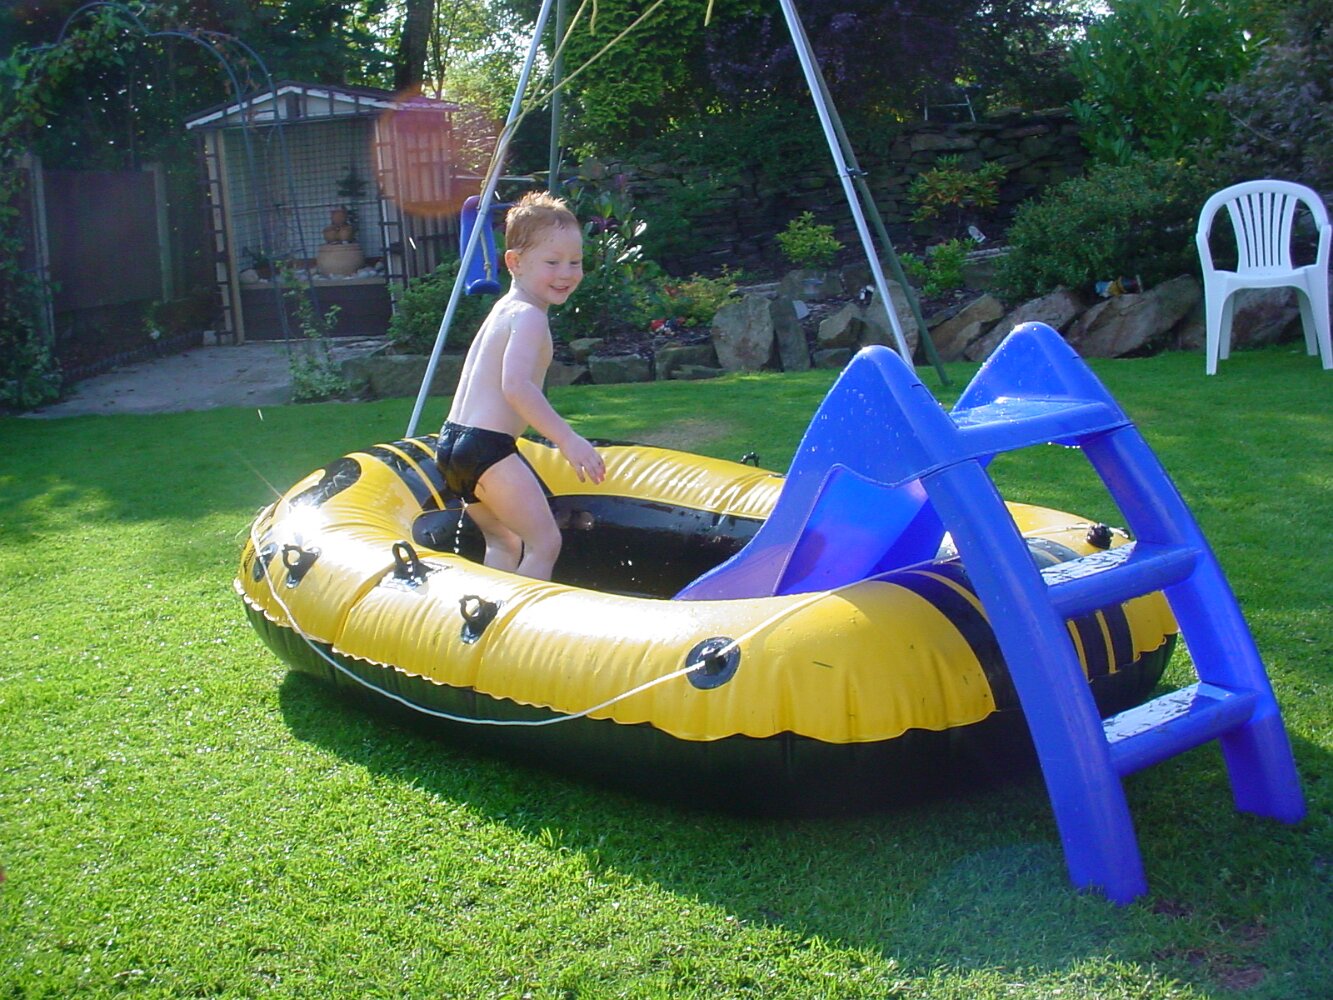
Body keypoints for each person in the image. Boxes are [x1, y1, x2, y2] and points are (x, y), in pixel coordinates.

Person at [436, 191, 605, 580]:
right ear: (514, 262)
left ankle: (488, 611)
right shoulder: (530, 316)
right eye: (552, 262)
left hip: (451, 445)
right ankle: (520, 620)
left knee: (504, 541)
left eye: (575, 262)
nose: (566, 273)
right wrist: (568, 440)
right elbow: (516, 386)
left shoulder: (503, 309)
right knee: (544, 543)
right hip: (487, 448)